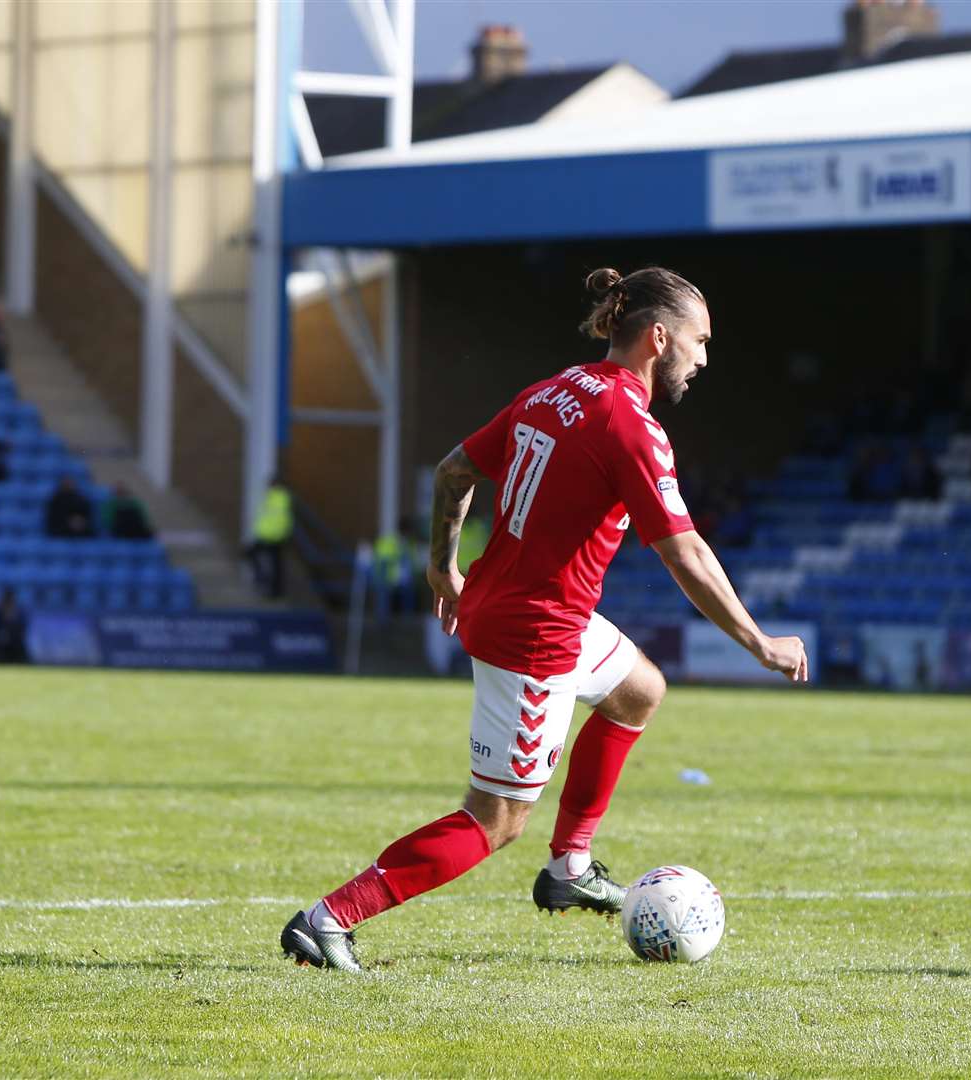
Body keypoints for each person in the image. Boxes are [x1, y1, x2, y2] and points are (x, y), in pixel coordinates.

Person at [280, 266, 808, 973]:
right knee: (495, 820)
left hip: (532, 606)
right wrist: (758, 641)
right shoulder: (631, 426)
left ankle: (569, 868)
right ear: (658, 338)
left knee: (638, 690)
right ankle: (329, 919)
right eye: (700, 340)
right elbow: (684, 553)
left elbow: (451, 471)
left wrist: (441, 564)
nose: (705, 358)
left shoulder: (555, 389)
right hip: (537, 634)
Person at [246, 473, 293, 597]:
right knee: (275, 563)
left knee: (252, 553)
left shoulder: (279, 498)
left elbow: (280, 519)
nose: (267, 485)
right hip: (271, 535)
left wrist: (276, 534)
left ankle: (268, 584)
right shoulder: (274, 497)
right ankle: (272, 587)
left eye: (270, 483)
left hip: (272, 536)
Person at [43, 475, 95, 539]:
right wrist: (69, 523)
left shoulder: (81, 500)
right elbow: (52, 521)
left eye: (70, 483)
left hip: (81, 532)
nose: (69, 485)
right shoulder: (55, 501)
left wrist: (80, 522)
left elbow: (87, 517)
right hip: (60, 532)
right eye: (66, 483)